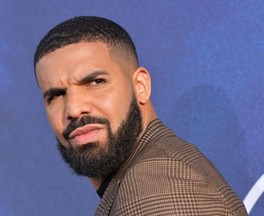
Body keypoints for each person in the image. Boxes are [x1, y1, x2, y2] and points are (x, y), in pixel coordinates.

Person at [34, 16, 247, 215]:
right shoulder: (144, 177)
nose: (73, 109)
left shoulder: (156, 184)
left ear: (141, 86)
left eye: (96, 82)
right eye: (56, 95)